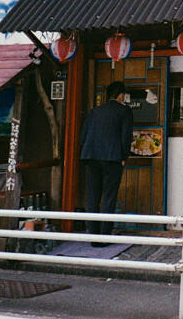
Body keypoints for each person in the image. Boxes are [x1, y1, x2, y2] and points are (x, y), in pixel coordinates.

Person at [80, 81, 133, 245]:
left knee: (93, 196)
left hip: (92, 157)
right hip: (113, 159)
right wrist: (124, 157)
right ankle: (104, 237)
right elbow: (126, 137)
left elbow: (83, 136)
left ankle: (93, 237)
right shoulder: (124, 111)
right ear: (120, 95)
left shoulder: (94, 111)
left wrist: (88, 152)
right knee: (109, 197)